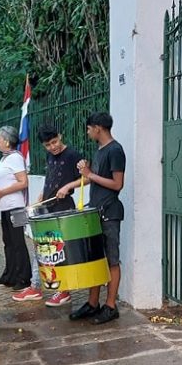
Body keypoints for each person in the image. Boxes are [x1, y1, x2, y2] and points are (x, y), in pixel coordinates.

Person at [56, 111, 126, 325]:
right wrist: (71, 184)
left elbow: (117, 184)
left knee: (112, 259)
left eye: (89, 128)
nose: (87, 132)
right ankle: (93, 302)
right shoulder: (100, 150)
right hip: (95, 211)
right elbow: (91, 177)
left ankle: (111, 305)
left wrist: (89, 174)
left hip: (110, 213)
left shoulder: (115, 150)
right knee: (94, 258)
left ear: (98, 128)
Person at [13, 124, 83, 304]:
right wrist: (42, 195)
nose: (53, 147)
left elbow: (87, 177)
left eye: (55, 142)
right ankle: (36, 287)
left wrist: (68, 187)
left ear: (60, 136)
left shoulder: (72, 155)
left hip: (64, 208)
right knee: (42, 248)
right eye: (48, 145)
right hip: (48, 207)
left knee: (60, 251)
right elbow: (51, 177)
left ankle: (64, 290)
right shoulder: (50, 156)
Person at [0, 126, 31, 291]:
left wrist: (3, 192)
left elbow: (23, 182)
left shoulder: (15, 158)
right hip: (5, 207)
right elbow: (1, 177)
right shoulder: (5, 158)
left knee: (18, 242)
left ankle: (24, 277)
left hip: (16, 207)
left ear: (6, 141)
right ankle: (10, 275)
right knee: (8, 242)